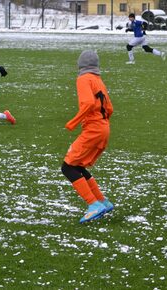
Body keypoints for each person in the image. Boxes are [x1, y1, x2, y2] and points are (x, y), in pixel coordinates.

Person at [61, 50, 114, 224]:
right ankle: (102, 202)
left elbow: (88, 103)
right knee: (78, 165)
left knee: (68, 167)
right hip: (104, 127)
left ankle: (93, 205)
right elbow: (110, 107)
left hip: (94, 129)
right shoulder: (98, 79)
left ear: (81, 64)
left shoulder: (83, 78)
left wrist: (73, 122)